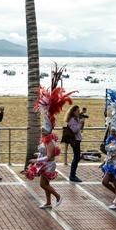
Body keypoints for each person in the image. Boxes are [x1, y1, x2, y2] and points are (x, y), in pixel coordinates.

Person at [26, 70, 71, 208]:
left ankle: (57, 197)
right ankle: (48, 202)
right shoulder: (45, 139)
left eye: (43, 129)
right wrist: (38, 155)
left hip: (48, 164)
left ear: (48, 129)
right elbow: (45, 152)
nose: (42, 130)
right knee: (45, 184)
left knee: (43, 184)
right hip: (45, 163)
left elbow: (50, 156)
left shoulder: (49, 140)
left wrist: (36, 160)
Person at [64, 106, 84, 182]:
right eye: (77, 111)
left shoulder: (75, 119)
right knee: (76, 157)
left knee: (77, 157)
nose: (79, 112)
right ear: (73, 112)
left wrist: (81, 123)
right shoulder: (72, 120)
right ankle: (72, 175)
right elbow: (74, 130)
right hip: (75, 140)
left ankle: (73, 175)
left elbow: (79, 129)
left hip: (77, 140)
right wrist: (80, 123)